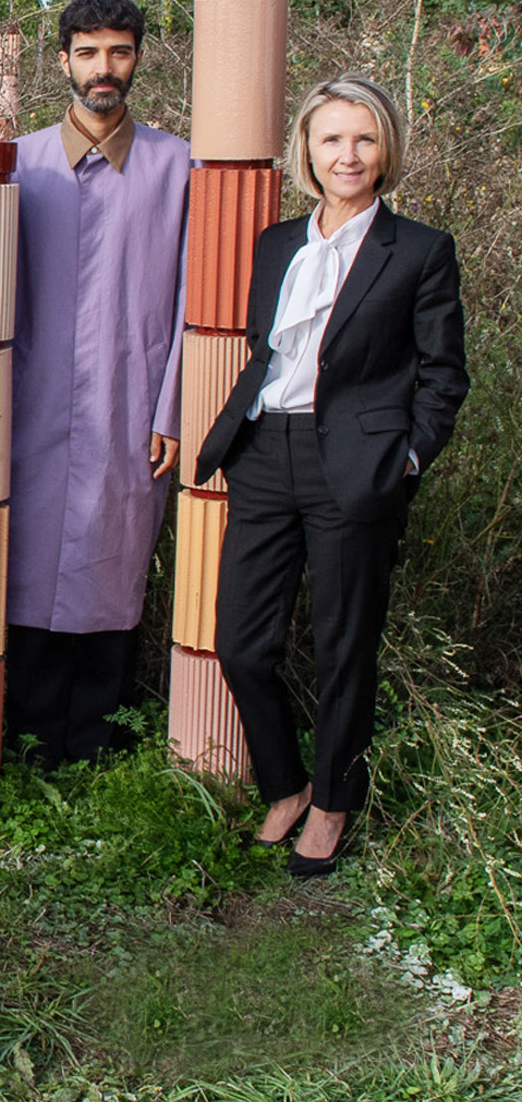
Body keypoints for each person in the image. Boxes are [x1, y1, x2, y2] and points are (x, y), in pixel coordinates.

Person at [196, 76, 466, 877]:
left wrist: (405, 458)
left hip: (356, 464)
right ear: (306, 151)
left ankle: (333, 801)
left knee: (348, 646)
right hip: (263, 452)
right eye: (331, 140)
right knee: (241, 644)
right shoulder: (278, 244)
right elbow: (265, 352)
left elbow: (443, 378)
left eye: (364, 139)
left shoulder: (419, 250)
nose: (347, 156)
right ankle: (283, 783)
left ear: (386, 150)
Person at [1, 0, 190, 767]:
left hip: (129, 402)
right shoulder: (14, 162)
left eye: (118, 51)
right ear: (63, 61)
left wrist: (173, 407)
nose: (102, 68)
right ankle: (27, 743)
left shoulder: (180, 167)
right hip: (29, 404)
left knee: (112, 566)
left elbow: (194, 304)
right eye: (87, 52)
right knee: (28, 564)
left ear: (139, 56)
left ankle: (100, 746)